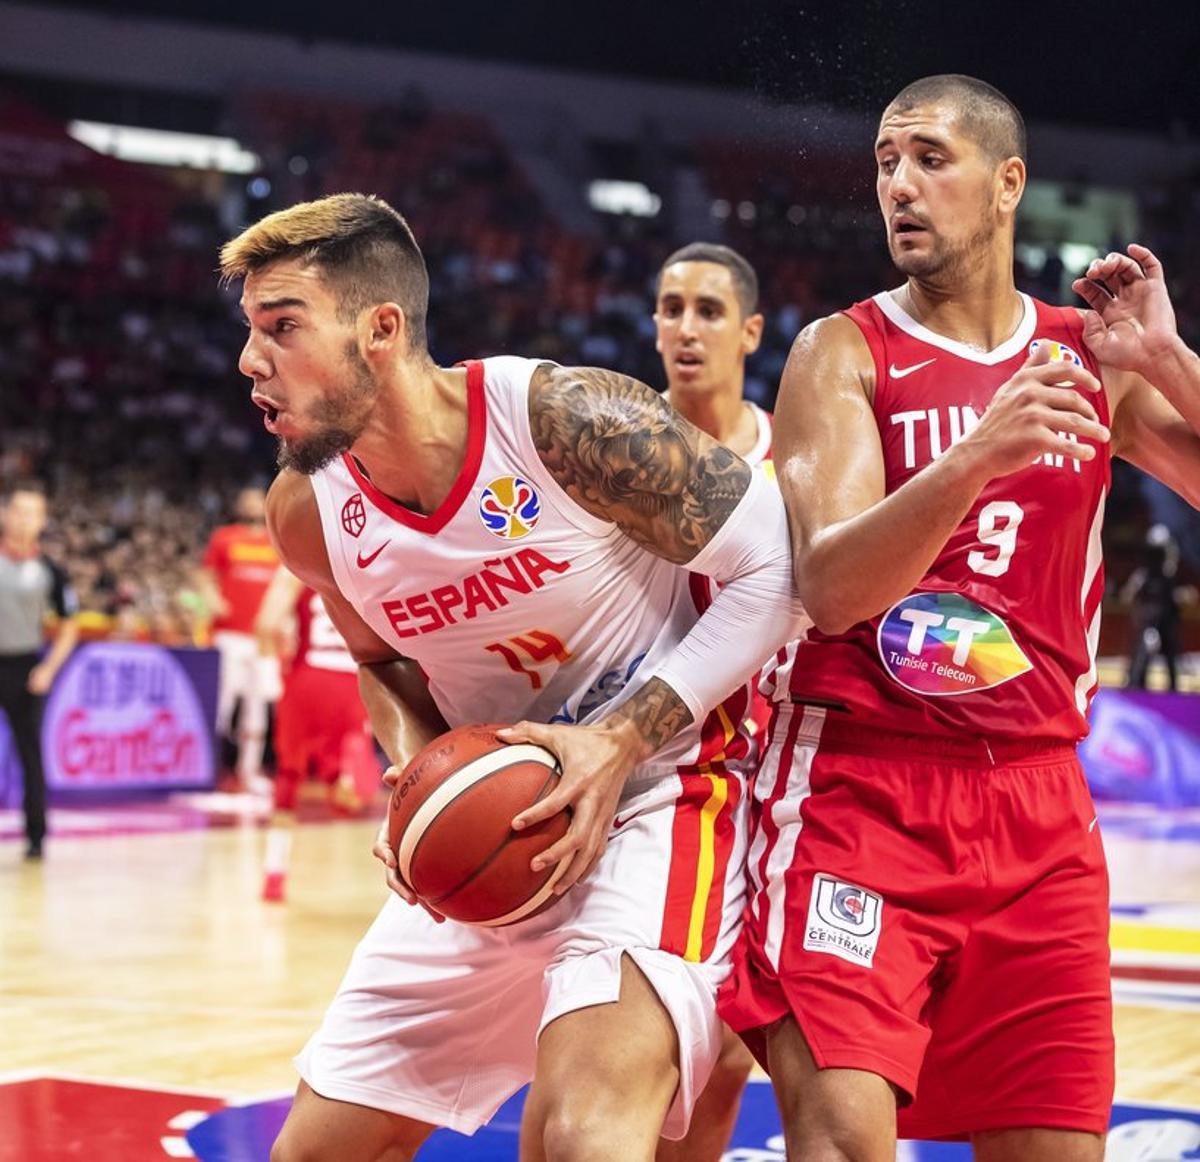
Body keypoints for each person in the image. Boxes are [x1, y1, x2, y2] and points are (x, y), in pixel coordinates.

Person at [219, 192, 805, 1161]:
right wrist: (416, 774)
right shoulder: (306, 512)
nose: (252, 360)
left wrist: (616, 740)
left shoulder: (565, 420)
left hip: (659, 804)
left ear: (381, 329)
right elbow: (379, 662)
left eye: (282, 327)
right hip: (491, 827)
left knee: (579, 1135)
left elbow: (781, 567)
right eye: (250, 332)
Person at [719, 74, 1200, 1162]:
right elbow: (834, 586)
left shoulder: (1091, 357)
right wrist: (979, 453)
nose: (900, 184)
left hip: (1037, 800)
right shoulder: (841, 352)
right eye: (886, 162)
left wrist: (1166, 361)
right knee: (844, 1142)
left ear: (1006, 184)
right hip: (861, 791)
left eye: (931, 158)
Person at [649, 241, 770, 1162]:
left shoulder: (797, 456)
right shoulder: (606, 445)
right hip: (658, 773)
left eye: (708, 311)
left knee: (726, 1051)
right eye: (670, 308)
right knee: (640, 1047)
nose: (685, 329)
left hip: (777, 768)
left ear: (751, 334)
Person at [255, 564, 378, 902]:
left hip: (308, 677)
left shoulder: (295, 567)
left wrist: (269, 670)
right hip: (352, 684)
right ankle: (341, 779)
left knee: (289, 775)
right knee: (351, 793)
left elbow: (266, 623)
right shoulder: (366, 566)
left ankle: (274, 873)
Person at [0, 481, 79, 860]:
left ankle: (35, 836)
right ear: (5, 515)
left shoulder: (50, 571)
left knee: (30, 754)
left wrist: (48, 668)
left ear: (42, 521)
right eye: (18, 511)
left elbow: (69, 626)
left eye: (32, 513)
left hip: (25, 668)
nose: (23, 520)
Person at [198, 485, 281, 790]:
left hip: (262, 640)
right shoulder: (225, 537)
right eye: (245, 499)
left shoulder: (277, 541)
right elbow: (205, 575)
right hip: (229, 634)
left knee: (258, 706)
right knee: (222, 704)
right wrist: (211, 599)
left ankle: (249, 769)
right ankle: (209, 764)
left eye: (256, 499)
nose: (251, 504)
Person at [1123, 524, 1190, 691]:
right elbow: (1127, 596)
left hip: (1167, 627)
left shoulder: (1169, 579)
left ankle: (1173, 697)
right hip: (1148, 626)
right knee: (1140, 661)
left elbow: (1177, 600)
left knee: (1172, 663)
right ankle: (1135, 693)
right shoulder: (1143, 577)